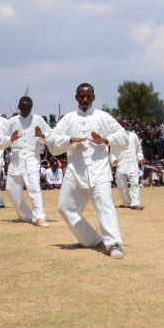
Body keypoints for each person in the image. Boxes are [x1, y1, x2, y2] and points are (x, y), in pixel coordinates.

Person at [43, 83, 129, 259]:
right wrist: (69, 140)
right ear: (76, 97)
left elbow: (124, 138)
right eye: (81, 96)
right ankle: (91, 240)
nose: (84, 99)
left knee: (104, 207)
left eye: (88, 96)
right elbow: (52, 142)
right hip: (75, 171)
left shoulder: (103, 117)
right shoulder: (68, 119)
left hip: (99, 171)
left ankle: (113, 244)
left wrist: (105, 140)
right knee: (65, 208)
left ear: (93, 98)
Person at [0, 97, 51, 227]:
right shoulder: (12, 121)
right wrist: (10, 138)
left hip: (32, 159)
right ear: (19, 107)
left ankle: (40, 217)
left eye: (28, 109)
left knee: (34, 188)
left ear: (32, 107)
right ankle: (25, 216)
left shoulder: (38, 120)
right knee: (11, 189)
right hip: (16, 160)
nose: (26, 111)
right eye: (23, 108)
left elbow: (52, 136)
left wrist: (42, 135)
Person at [111, 118, 146, 210]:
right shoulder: (115, 137)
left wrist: (140, 158)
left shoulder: (134, 136)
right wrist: (114, 160)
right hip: (121, 165)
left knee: (135, 184)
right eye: (123, 125)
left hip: (133, 165)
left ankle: (135, 203)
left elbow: (138, 149)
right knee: (122, 187)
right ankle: (127, 203)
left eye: (127, 125)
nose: (125, 127)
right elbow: (112, 153)